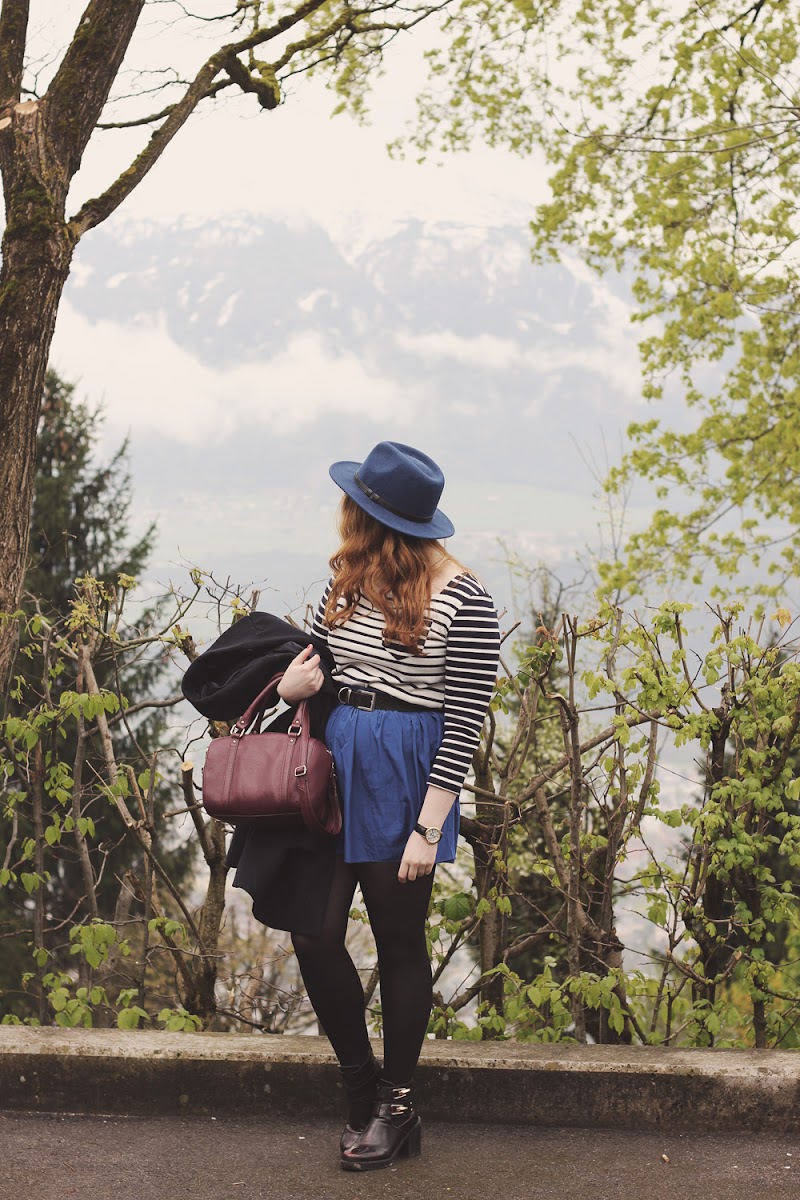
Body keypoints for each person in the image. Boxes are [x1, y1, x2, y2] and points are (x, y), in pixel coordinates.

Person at [278, 441, 501, 1172]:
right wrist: (293, 693)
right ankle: (359, 1085)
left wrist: (429, 826)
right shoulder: (345, 581)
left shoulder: (466, 600)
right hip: (337, 763)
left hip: (406, 777)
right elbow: (318, 670)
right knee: (313, 932)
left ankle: (397, 1109)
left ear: (377, 518)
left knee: (400, 943)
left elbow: (462, 722)